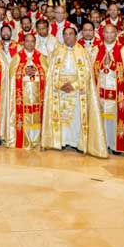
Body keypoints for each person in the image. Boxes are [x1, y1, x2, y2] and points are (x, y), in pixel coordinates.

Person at [40, 27, 107, 157]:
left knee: (76, 118)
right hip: (60, 91)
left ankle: (77, 143)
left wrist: (74, 85)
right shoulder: (57, 51)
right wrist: (60, 85)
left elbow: (87, 74)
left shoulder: (82, 52)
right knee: (61, 118)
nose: (68, 37)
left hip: (76, 91)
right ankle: (61, 141)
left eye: (70, 34)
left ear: (76, 36)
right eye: (65, 34)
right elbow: (50, 72)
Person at [93, 24, 124, 155]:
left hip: (118, 92)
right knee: (101, 117)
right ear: (102, 34)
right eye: (106, 32)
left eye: (112, 33)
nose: (109, 35)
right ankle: (102, 143)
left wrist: (111, 66)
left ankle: (115, 144)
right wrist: (101, 65)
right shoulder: (96, 49)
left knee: (114, 118)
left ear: (116, 33)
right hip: (100, 90)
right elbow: (90, 70)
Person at [0, 33, 47, 150]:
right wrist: (23, 72)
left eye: (32, 41)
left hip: (37, 95)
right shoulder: (17, 57)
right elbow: (11, 76)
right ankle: (23, 138)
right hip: (22, 96)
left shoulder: (41, 57)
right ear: (23, 43)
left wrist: (36, 71)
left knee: (36, 116)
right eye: (27, 41)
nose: (30, 44)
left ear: (35, 43)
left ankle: (37, 139)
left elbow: (47, 74)